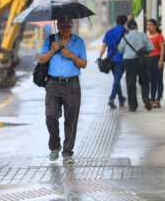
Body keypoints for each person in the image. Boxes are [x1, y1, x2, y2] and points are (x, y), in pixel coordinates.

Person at [38, 17, 87, 164]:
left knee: (71, 120)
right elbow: (41, 60)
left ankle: (67, 152)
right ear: (58, 26)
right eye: (62, 25)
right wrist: (53, 50)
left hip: (72, 84)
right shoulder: (50, 40)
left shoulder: (79, 42)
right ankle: (55, 145)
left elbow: (83, 64)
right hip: (53, 84)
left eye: (68, 25)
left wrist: (71, 55)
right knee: (50, 116)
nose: (65, 28)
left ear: (72, 26)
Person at [118, 19, 154, 112]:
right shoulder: (143, 35)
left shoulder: (125, 38)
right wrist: (143, 51)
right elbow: (151, 47)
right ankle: (146, 98)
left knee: (131, 83)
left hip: (129, 61)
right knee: (144, 81)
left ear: (128, 28)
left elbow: (120, 50)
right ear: (137, 27)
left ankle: (132, 106)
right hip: (142, 61)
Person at [97, 15, 128, 109]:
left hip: (110, 59)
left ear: (116, 21)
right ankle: (112, 98)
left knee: (116, 79)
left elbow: (103, 46)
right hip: (121, 59)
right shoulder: (126, 32)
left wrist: (99, 57)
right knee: (117, 79)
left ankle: (121, 99)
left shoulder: (109, 32)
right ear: (125, 22)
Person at [147, 19, 165, 108]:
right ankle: (152, 99)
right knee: (152, 80)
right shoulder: (146, 36)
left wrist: (161, 60)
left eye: (150, 25)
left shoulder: (159, 36)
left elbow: (162, 49)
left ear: (155, 26)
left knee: (158, 80)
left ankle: (158, 100)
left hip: (157, 58)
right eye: (147, 25)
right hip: (149, 59)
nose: (148, 27)